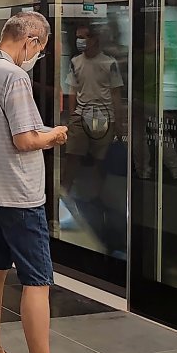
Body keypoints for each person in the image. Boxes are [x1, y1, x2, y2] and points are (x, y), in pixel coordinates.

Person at [0, 11, 94, 353]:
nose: (36, 57)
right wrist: (54, 134)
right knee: (38, 279)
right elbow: (24, 139)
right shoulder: (14, 77)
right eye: (39, 49)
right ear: (30, 41)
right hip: (19, 195)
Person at [59, 24, 125, 253]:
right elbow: (72, 91)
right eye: (78, 37)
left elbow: (116, 94)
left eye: (83, 37)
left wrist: (118, 122)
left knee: (99, 160)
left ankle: (96, 200)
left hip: (103, 115)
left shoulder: (109, 63)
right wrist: (72, 115)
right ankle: (63, 199)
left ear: (94, 39)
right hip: (81, 115)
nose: (80, 42)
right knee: (72, 157)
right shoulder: (76, 62)